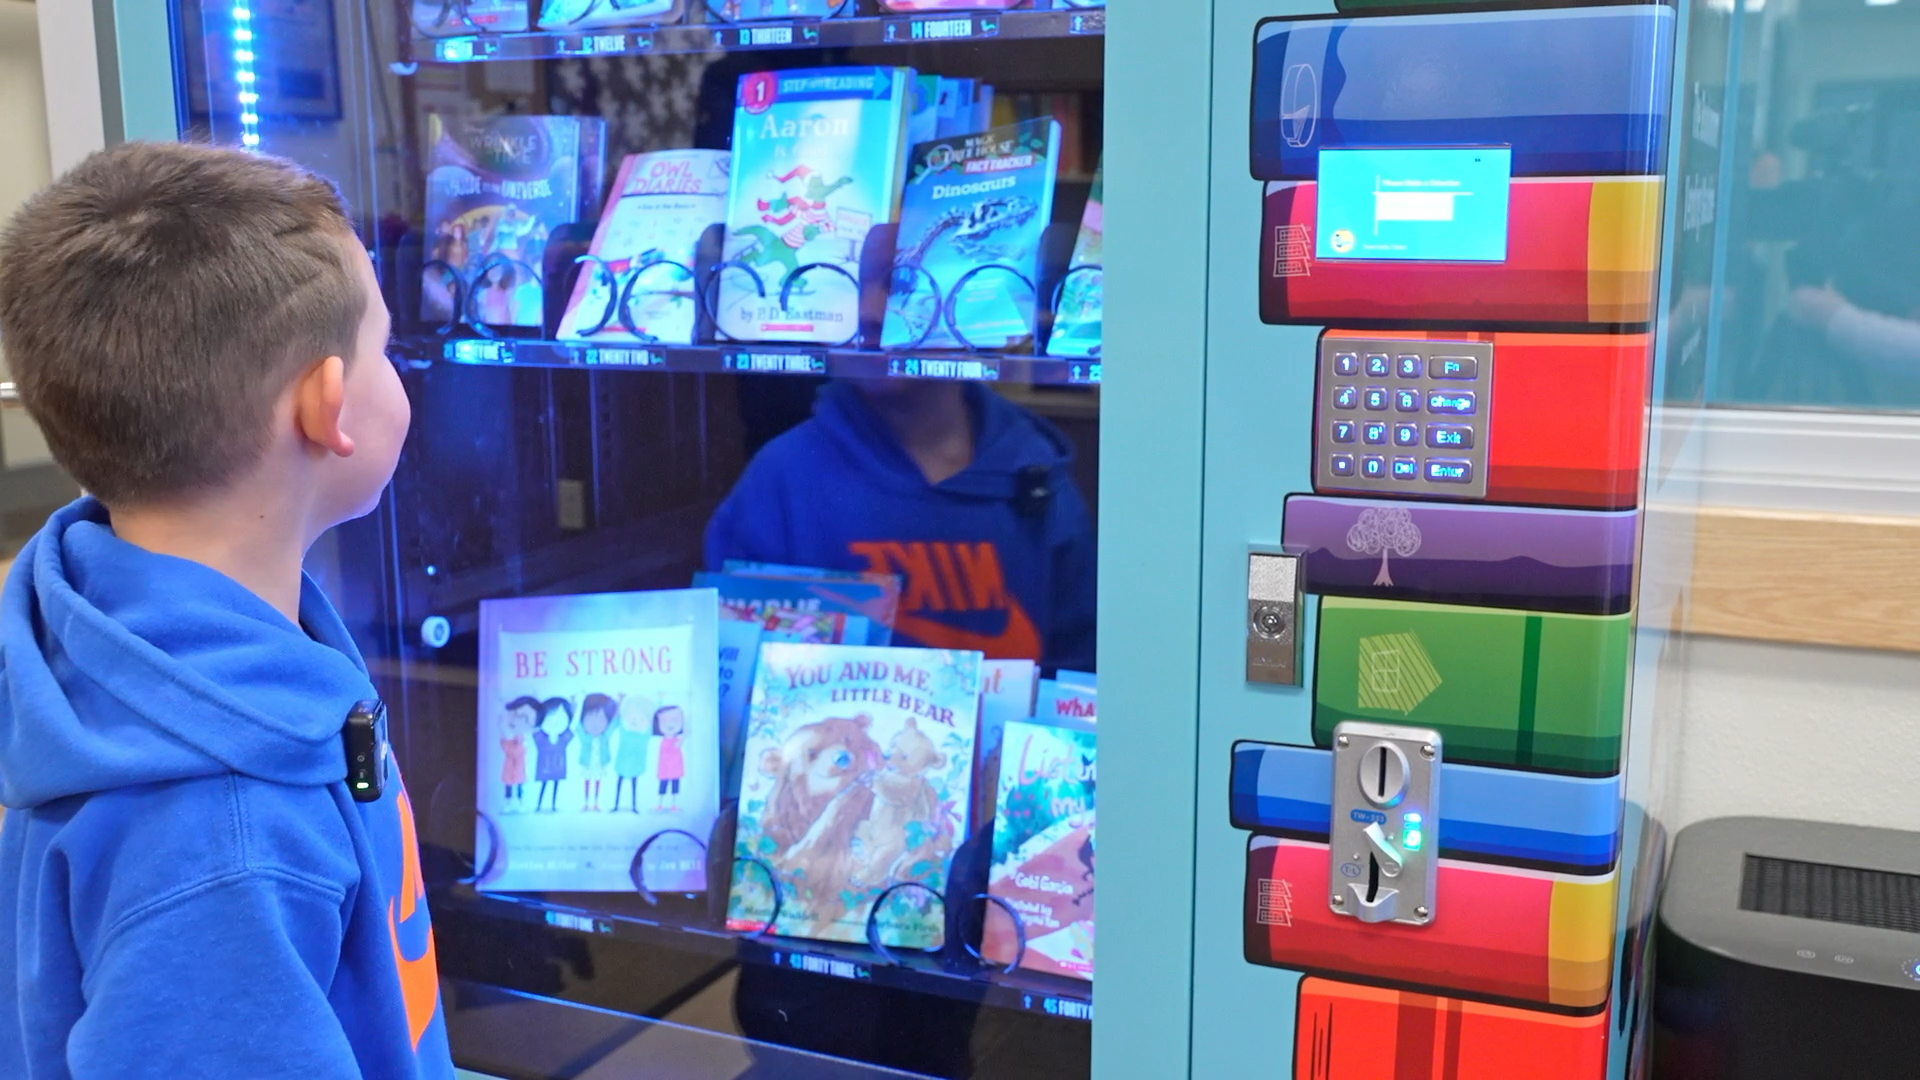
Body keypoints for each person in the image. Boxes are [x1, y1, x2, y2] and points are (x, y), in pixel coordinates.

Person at [0, 143, 452, 1076]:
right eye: (385, 347)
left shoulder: (111, 627)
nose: (397, 369)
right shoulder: (225, 847)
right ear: (328, 405)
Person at [704, 379, 1096, 671]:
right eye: (856, 295)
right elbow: (733, 693)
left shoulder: (1041, 481)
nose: (873, 314)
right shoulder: (779, 482)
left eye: (899, 294)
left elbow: (1082, 679)